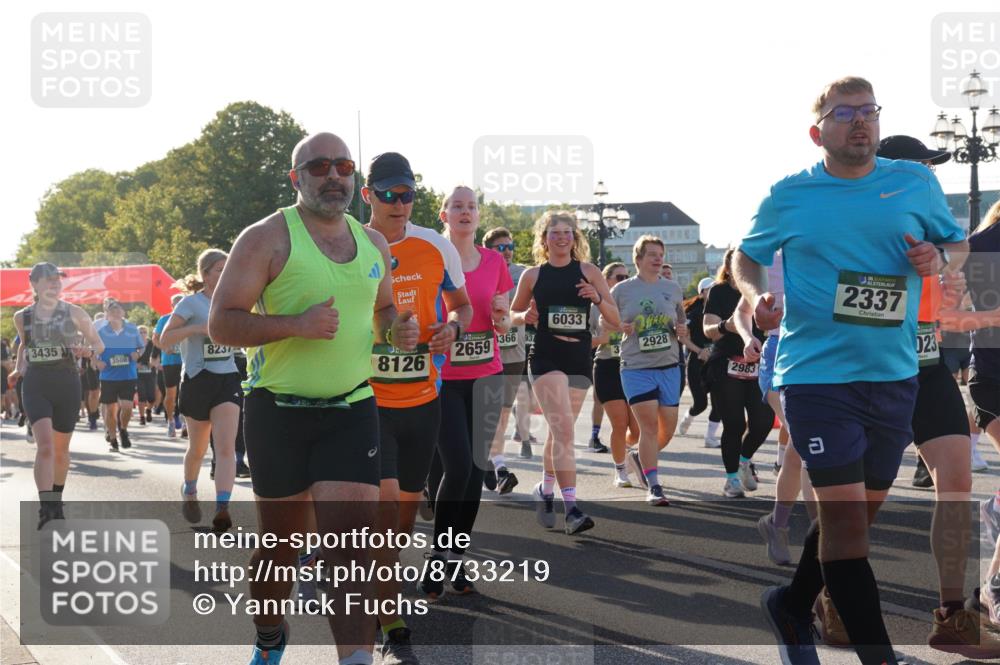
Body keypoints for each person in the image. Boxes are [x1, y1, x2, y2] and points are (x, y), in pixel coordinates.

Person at [738, 76, 967, 665]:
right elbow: (747, 255)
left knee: (854, 521)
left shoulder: (912, 182)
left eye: (870, 111)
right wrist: (754, 292)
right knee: (847, 532)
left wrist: (939, 258)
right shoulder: (790, 195)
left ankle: (791, 604)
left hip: (894, 376)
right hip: (816, 376)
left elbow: (954, 242)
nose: (861, 121)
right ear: (819, 132)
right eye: (846, 113)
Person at [209, 132, 415, 665]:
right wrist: (295, 325)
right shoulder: (266, 238)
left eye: (344, 166)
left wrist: (399, 331)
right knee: (281, 547)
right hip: (278, 411)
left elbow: (385, 312)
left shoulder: (373, 244)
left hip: (352, 408)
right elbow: (222, 323)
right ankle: (270, 635)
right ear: (295, 177)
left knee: (350, 549)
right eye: (320, 166)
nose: (334, 176)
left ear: (354, 178)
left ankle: (356, 659)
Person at [363, 153, 472, 663]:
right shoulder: (350, 244)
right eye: (388, 194)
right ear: (369, 196)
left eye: (406, 194)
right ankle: (390, 619)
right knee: (384, 510)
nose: (399, 203)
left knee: (403, 519)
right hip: (368, 401)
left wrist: (453, 328)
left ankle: (376, 583)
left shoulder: (436, 246)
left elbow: (463, 306)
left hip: (424, 399)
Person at [421, 185, 511, 597]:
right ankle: (438, 557)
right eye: (456, 206)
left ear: (478, 216)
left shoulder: (495, 261)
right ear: (444, 214)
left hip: (487, 374)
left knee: (475, 470)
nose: (465, 212)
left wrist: (502, 317)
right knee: (455, 467)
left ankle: (455, 559)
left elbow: (505, 322)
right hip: (441, 378)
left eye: (471, 206)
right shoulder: (431, 257)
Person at [511, 210, 620, 534]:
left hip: (579, 357)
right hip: (546, 356)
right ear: (544, 239)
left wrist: (597, 297)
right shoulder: (533, 275)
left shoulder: (588, 271)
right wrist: (523, 316)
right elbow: (509, 316)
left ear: (575, 238)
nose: (561, 237)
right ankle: (571, 508)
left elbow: (614, 319)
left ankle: (544, 490)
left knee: (562, 431)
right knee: (565, 433)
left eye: (567, 232)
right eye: (554, 233)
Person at [943, 199, 1000, 634]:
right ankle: (992, 588)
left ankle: (997, 507)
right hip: (995, 374)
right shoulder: (979, 247)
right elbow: (951, 316)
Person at [12, 262, 104, 527]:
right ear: (35, 284)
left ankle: (57, 499)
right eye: (49, 280)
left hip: (67, 383)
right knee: (46, 446)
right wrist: (20, 367)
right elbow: (25, 346)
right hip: (36, 383)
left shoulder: (74, 312)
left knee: (61, 451)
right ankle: (47, 507)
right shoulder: (22, 317)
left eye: (58, 280)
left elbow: (97, 342)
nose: (55, 284)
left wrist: (88, 351)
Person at [160, 250, 243, 534]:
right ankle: (190, 490)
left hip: (228, 379)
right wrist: (197, 328)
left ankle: (222, 507)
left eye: (228, 269)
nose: (225, 274)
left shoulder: (234, 301)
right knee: (197, 448)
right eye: (220, 269)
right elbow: (164, 340)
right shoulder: (190, 303)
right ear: (206, 274)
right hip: (197, 380)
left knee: (225, 447)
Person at [609, 236, 687, 505]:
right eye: (651, 254)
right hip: (636, 367)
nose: (657, 259)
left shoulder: (673, 288)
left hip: (669, 366)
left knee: (667, 430)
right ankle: (654, 485)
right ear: (638, 259)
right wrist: (620, 326)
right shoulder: (622, 290)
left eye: (660, 254)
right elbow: (603, 321)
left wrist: (682, 330)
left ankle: (637, 457)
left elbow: (681, 321)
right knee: (649, 427)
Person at [702, 248, 773, 497]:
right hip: (727, 365)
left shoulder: (765, 287)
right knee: (733, 424)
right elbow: (707, 330)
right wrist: (726, 325)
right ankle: (731, 479)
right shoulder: (719, 291)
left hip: (760, 363)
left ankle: (744, 459)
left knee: (763, 422)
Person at [483, 226, 528, 492]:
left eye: (509, 246)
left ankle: (492, 463)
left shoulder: (522, 274)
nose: (507, 251)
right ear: (489, 250)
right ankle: (498, 466)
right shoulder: (479, 270)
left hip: (514, 354)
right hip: (485, 353)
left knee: (501, 414)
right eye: (501, 247)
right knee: (489, 414)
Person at [591, 262, 638, 487]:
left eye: (626, 277)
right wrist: (602, 337)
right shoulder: (594, 305)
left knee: (637, 429)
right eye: (619, 277)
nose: (624, 281)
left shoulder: (633, 301)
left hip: (634, 366)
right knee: (620, 424)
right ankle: (620, 470)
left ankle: (627, 453)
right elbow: (585, 337)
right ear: (606, 279)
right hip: (608, 365)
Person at [678, 277, 722, 447]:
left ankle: (710, 438)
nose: (713, 291)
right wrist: (699, 351)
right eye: (709, 289)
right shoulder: (694, 313)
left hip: (717, 362)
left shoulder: (722, 309)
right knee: (701, 404)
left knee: (719, 402)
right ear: (702, 293)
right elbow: (682, 337)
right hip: (697, 363)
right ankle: (688, 416)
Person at [95, 299, 143, 451]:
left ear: (123, 313)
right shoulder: (101, 332)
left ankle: (123, 430)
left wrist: (137, 354)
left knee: (127, 407)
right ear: (107, 315)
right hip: (109, 376)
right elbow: (93, 352)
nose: (115, 314)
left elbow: (141, 348)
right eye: (112, 311)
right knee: (110, 410)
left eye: (118, 311)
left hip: (128, 374)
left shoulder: (132, 329)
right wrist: (97, 362)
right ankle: (113, 437)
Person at [153, 293, 184, 438]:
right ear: (172, 306)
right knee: (171, 395)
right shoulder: (164, 319)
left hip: (188, 361)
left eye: (181, 302)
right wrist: (164, 348)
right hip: (170, 362)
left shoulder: (190, 318)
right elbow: (155, 338)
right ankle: (171, 420)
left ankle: (185, 422)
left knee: (186, 393)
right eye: (176, 303)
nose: (179, 306)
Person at [135, 325, 157, 425]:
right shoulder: (134, 344)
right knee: (142, 396)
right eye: (140, 332)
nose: (143, 334)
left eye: (144, 332)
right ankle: (142, 417)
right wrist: (135, 364)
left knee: (152, 398)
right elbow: (129, 358)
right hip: (138, 375)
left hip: (150, 374)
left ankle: (148, 410)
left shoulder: (152, 344)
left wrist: (153, 363)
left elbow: (157, 356)